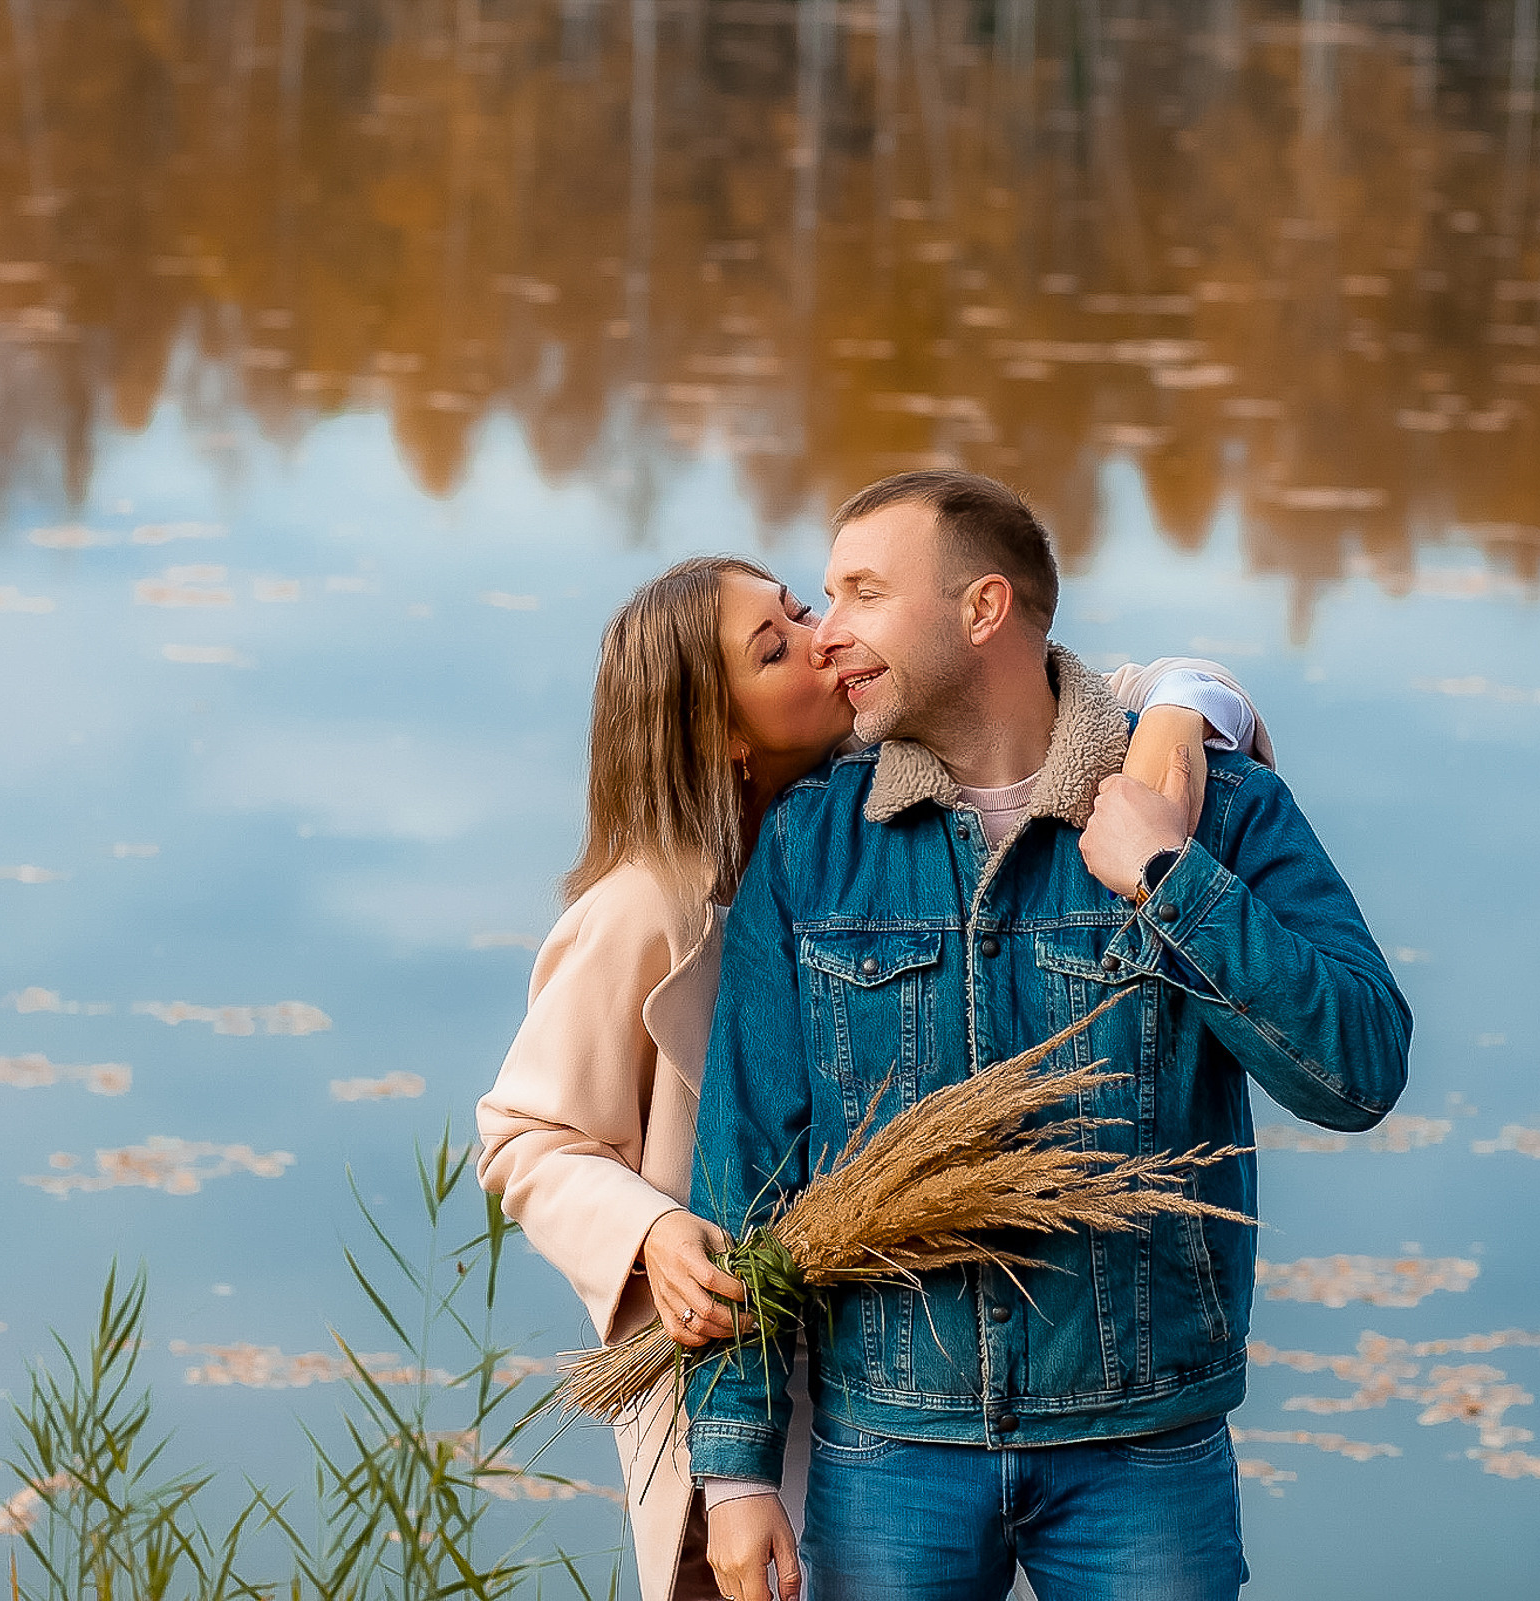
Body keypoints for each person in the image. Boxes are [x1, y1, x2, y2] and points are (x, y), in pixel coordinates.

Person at [475, 551, 1273, 1601]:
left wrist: (1180, 710)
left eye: (802, 607)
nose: (825, 638)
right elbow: (524, 1134)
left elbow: (1104, 686)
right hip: (740, 1353)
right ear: (720, 731)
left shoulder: (885, 779)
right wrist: (652, 1230)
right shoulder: (644, 911)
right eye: (776, 647)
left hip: (905, 1369)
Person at [687, 472, 1412, 1601]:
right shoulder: (812, 844)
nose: (826, 634)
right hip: (892, 1446)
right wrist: (734, 1469)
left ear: (982, 608)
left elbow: (1360, 1069)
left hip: (1144, 1448)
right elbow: (749, 1167)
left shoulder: (1215, 806)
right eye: (826, 597)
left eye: (864, 593)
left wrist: (1171, 877)